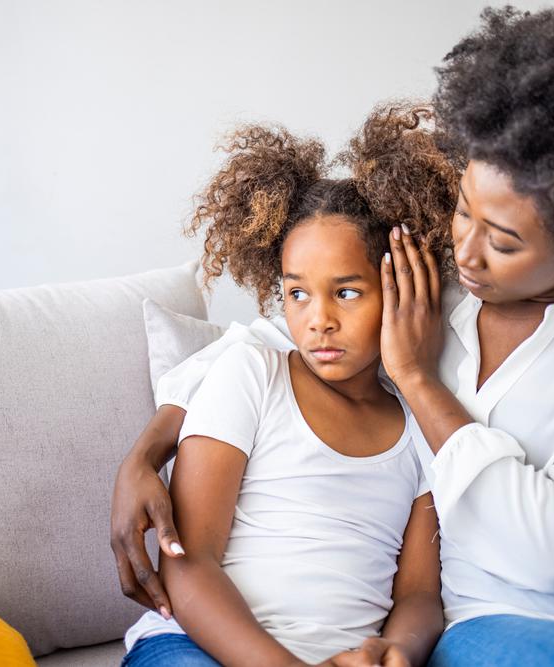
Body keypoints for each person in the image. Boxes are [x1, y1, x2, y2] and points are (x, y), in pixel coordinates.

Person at [112, 7, 554, 667]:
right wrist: (145, 453)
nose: (465, 249)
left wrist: (418, 382)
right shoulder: (427, 279)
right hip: (498, 611)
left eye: (503, 240)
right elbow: (286, 328)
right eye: (465, 209)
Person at [119, 105, 461, 667]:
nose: (317, 319)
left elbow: (419, 595)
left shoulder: (422, 423)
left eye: (347, 292)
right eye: (297, 293)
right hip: (196, 648)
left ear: (399, 287)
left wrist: (396, 650)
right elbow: (190, 561)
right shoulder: (252, 372)